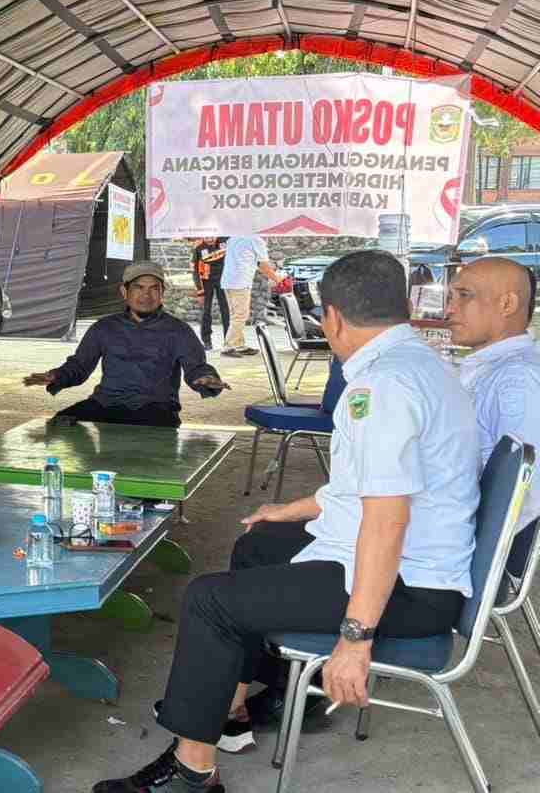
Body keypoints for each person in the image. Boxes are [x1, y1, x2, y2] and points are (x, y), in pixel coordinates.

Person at [93, 251, 480, 793]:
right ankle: (231, 706)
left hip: (409, 586)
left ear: (333, 318)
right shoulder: (421, 364)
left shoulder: (381, 389)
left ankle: (192, 771)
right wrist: (290, 510)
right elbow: (369, 488)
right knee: (259, 544)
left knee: (208, 601)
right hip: (416, 563)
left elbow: (387, 520)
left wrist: (355, 638)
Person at [21, 261, 230, 428]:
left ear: (162, 293)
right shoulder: (104, 328)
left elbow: (197, 367)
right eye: (139, 288)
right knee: (60, 423)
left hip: (155, 409)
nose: (146, 295)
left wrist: (206, 379)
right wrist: (56, 376)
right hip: (105, 404)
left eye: (154, 289)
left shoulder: (179, 331)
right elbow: (79, 365)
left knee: (144, 445)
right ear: (124, 291)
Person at [446, 256, 540, 533]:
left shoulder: (517, 378)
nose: (449, 309)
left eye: (464, 295)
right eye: (451, 296)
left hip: (462, 544)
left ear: (507, 304)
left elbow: (525, 492)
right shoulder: (495, 370)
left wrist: (466, 546)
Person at [219, 234, 284, 357]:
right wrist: (277, 278)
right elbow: (263, 265)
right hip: (240, 281)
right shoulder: (256, 240)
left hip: (229, 281)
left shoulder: (235, 237)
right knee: (240, 315)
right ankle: (228, 347)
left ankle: (239, 345)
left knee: (236, 315)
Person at [189, 237, 229, 351]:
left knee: (226, 310)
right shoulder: (198, 248)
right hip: (206, 281)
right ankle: (207, 341)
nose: (210, 239)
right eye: (207, 237)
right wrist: (199, 290)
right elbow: (194, 271)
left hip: (223, 280)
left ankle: (229, 340)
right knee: (206, 311)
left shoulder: (225, 241)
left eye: (212, 236)